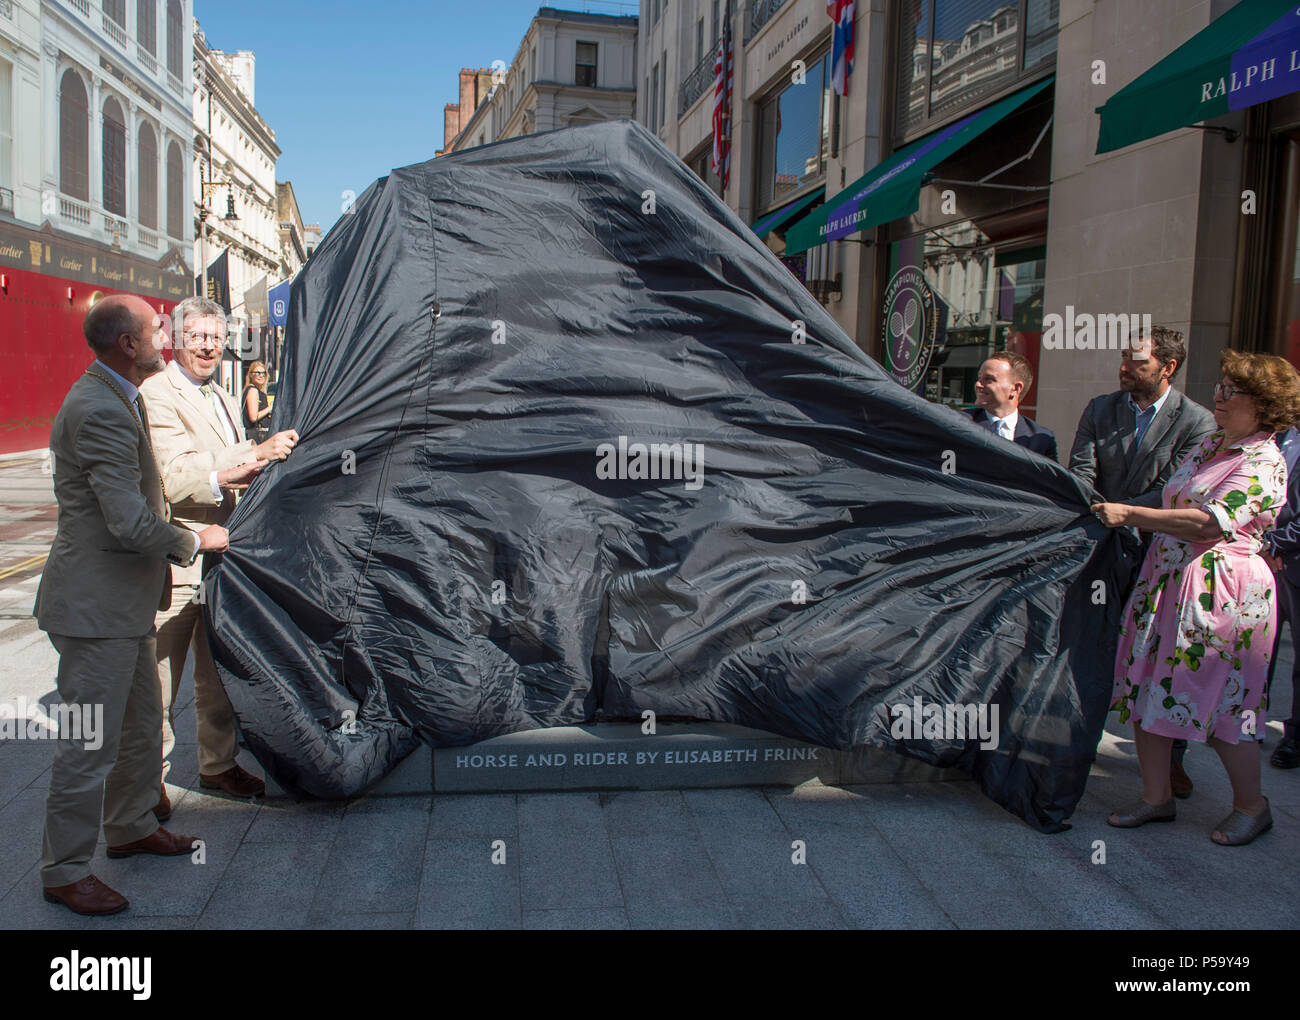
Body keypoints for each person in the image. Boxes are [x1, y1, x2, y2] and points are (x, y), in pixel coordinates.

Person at [35, 294, 228, 915]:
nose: (165, 339)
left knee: (142, 728)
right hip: (97, 610)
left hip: (128, 604)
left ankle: (131, 827)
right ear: (128, 344)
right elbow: (126, 520)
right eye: (156, 330)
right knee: (89, 745)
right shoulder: (99, 408)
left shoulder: (121, 394)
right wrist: (196, 539)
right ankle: (64, 871)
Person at [1093, 349, 1300, 845]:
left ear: (1265, 405)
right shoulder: (1208, 444)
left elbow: (1209, 522)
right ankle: (1156, 797)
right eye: (1220, 387)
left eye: (1233, 391)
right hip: (1168, 582)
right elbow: (1172, 498)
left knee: (1226, 704)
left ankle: (1253, 806)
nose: (1219, 397)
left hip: (1223, 596)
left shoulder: (1265, 459)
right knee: (1150, 687)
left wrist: (1128, 515)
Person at [141, 297, 299, 811]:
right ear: (176, 338)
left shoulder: (223, 395)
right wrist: (253, 454)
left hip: (224, 558)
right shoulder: (157, 394)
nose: (208, 346)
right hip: (179, 560)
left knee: (215, 676)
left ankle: (218, 765)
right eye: (198, 336)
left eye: (215, 337)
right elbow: (175, 477)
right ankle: (149, 787)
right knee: (159, 681)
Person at [1068, 325, 1216, 798]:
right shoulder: (1100, 408)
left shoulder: (1197, 423)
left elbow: (1176, 491)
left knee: (1159, 655)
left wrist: (1126, 515)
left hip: (1161, 555)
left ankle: (1171, 761)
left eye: (1137, 361)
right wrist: (1098, 511)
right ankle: (1078, 739)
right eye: (1124, 359)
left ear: (1168, 368)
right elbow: (1082, 470)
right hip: (1100, 550)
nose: (1124, 368)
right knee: (1089, 645)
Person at [1263, 424, 1300, 769]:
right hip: (1263, 563)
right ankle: (1249, 725)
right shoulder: (1273, 437)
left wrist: (1275, 544)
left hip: (1291, 560)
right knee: (1256, 654)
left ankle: (1295, 737)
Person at [967, 352, 1058, 461]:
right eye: (979, 377)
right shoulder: (959, 423)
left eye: (988, 379)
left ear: (1016, 388)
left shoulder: (1041, 440)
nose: (978, 384)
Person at [241, 360, 273, 443]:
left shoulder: (253, 390)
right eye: (257, 373)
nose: (261, 376)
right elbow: (253, 417)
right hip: (258, 435)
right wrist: (270, 408)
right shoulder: (253, 390)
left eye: (263, 373)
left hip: (256, 434)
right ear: (251, 375)